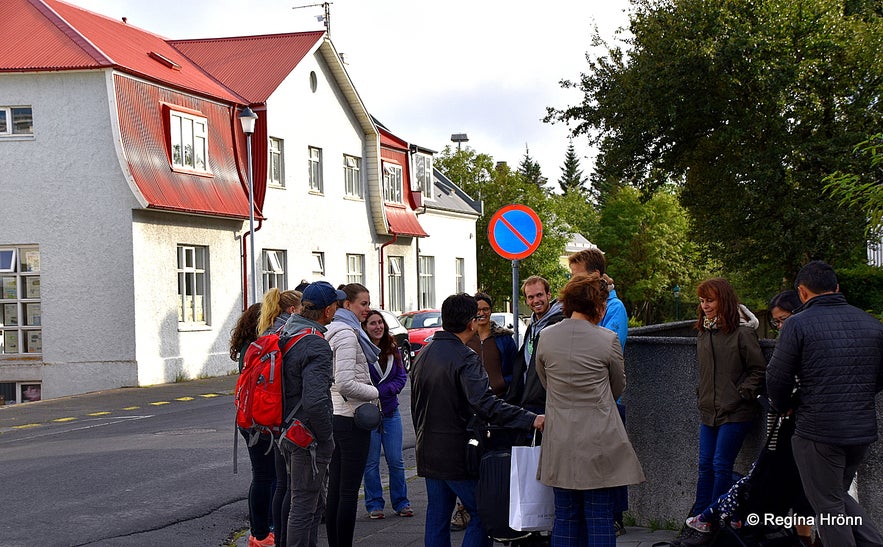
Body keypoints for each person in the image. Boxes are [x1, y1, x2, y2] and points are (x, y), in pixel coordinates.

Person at [411, 293, 544, 547]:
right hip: (457, 452)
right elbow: (485, 404)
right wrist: (529, 419)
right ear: (471, 322)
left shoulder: (424, 354)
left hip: (427, 448)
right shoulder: (465, 357)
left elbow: (416, 404)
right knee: (484, 513)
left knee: (437, 517)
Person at [766, 261, 883, 547]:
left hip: (818, 430)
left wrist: (786, 405)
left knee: (828, 506)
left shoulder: (796, 324)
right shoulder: (871, 323)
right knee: (835, 496)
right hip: (860, 430)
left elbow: (777, 378)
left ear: (802, 293)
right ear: (837, 288)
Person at [536, 273, 644, 547]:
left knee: (565, 516)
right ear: (597, 305)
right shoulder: (607, 339)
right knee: (599, 516)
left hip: (559, 439)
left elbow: (544, 380)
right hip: (597, 440)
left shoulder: (546, 337)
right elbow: (618, 386)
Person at [684, 278, 766, 534]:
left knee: (721, 465)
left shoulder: (742, 332)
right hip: (709, 410)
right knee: (705, 465)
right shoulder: (704, 332)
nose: (705, 306)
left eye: (710, 300)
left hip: (736, 412)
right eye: (702, 301)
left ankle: (714, 520)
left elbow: (758, 370)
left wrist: (741, 393)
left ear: (724, 301)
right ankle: (698, 519)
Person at [568, 247, 630, 535]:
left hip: (607, 399)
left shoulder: (614, 308)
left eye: (576, 276)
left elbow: (610, 351)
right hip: (587, 399)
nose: (572, 281)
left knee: (610, 464)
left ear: (594, 275)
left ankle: (615, 516)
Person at [279, 281, 342, 547]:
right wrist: (327, 437)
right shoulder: (315, 344)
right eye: (336, 305)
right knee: (304, 506)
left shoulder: (287, 332)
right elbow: (315, 401)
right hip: (306, 436)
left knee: (312, 504)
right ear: (327, 311)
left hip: (287, 429)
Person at [324, 283, 380, 547]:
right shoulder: (346, 334)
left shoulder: (332, 329)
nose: (367, 310)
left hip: (336, 415)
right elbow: (345, 382)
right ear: (347, 305)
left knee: (336, 488)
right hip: (350, 418)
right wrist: (374, 393)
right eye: (363, 304)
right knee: (347, 492)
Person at [257, 289, 303, 547]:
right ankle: (283, 535)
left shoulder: (267, 332)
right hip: (287, 415)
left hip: (270, 414)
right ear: (291, 310)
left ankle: (275, 533)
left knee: (278, 480)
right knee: (286, 483)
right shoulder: (287, 334)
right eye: (301, 307)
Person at [230, 302, 276, 547]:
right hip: (260, 419)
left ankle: (259, 530)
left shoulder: (247, 346)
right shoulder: (261, 347)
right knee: (267, 476)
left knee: (262, 475)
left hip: (247, 418)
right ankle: (263, 530)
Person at [361, 309, 412, 519]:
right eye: (372, 323)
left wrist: (384, 391)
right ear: (365, 327)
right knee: (371, 463)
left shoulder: (393, 348)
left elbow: (402, 377)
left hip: (391, 412)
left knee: (396, 461)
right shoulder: (360, 350)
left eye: (380, 323)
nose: (377, 327)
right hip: (369, 415)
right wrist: (376, 393)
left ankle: (402, 503)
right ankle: (374, 505)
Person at [505, 276, 565, 414]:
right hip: (529, 400)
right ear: (526, 301)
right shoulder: (532, 324)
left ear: (549, 295)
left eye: (539, 295)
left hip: (548, 402)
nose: (536, 301)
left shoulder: (560, 324)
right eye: (531, 297)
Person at [466, 292, 518, 398]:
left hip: (501, 399)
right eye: (478, 310)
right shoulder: (466, 339)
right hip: (472, 400)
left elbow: (516, 369)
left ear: (491, 311)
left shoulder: (504, 338)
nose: (482, 313)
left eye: (485, 309)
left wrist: (504, 383)